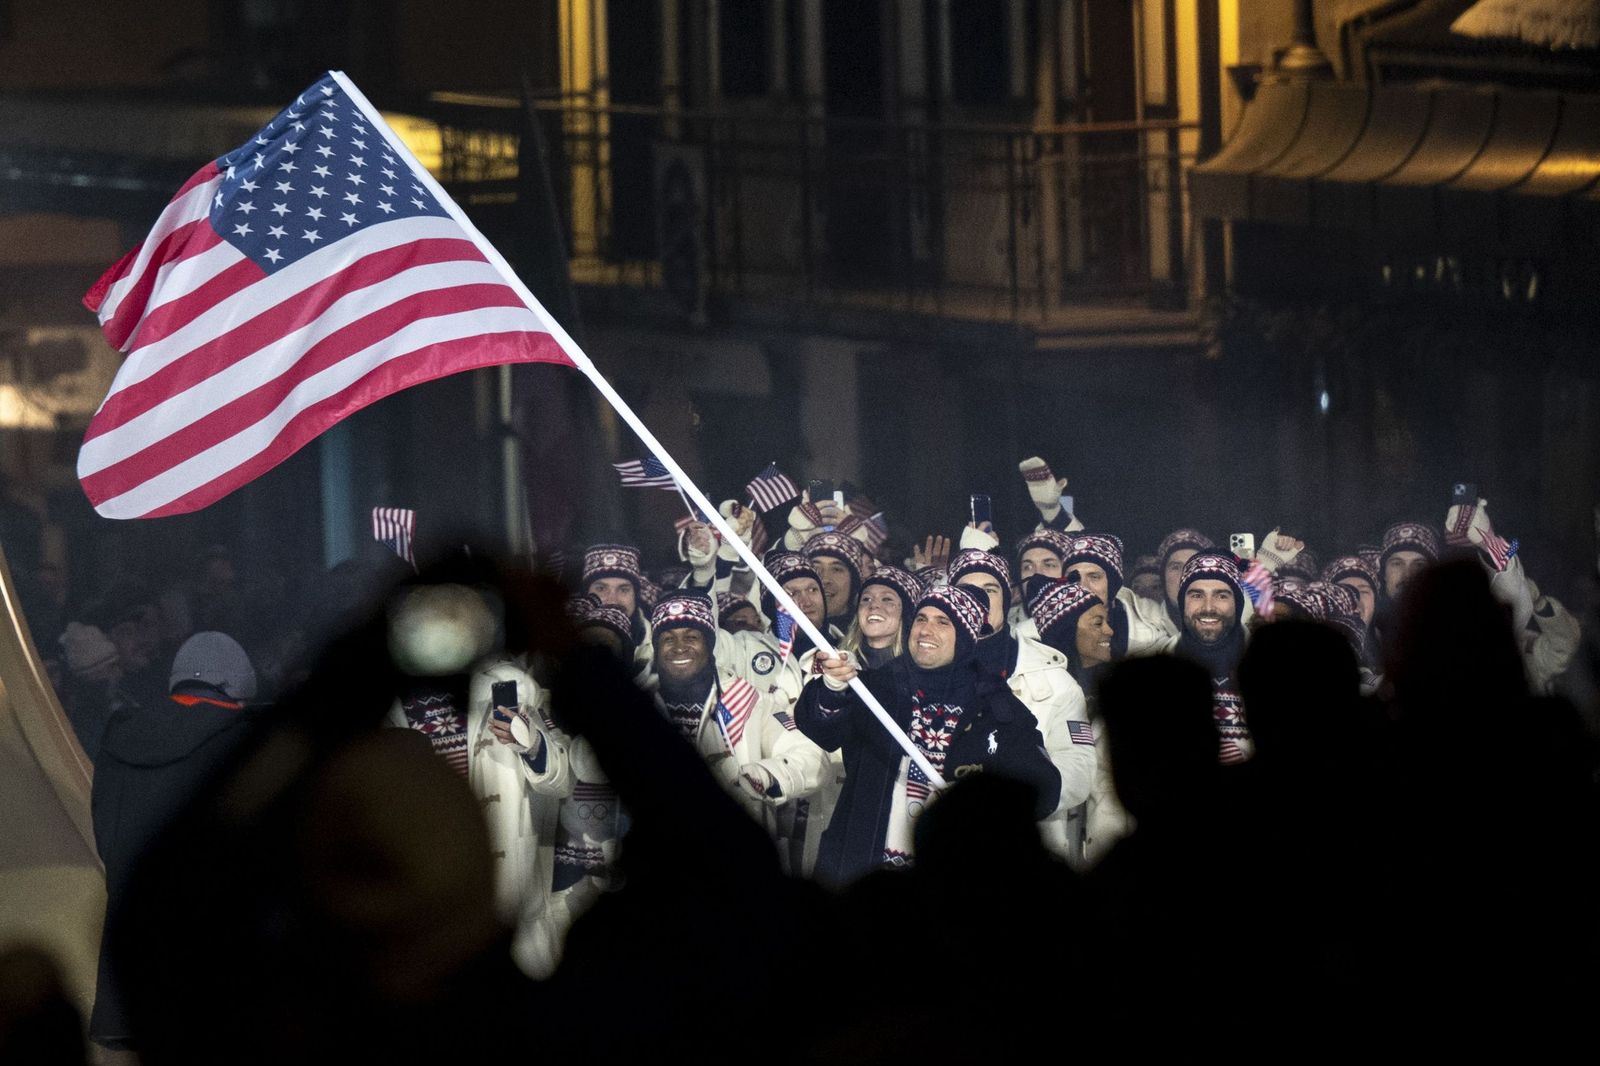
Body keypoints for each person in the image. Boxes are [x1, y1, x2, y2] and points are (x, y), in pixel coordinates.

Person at [796, 583, 1061, 885]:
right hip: (862, 872)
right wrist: (831, 688)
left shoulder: (995, 705)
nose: (925, 630)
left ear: (965, 637)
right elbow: (822, 730)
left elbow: (1043, 787)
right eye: (921, 618)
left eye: (943, 622)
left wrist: (985, 807)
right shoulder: (876, 688)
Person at [89, 631, 261, 1053]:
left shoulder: (121, 736)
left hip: (128, 972)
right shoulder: (242, 739)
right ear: (236, 685)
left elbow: (105, 830)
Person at [646, 592, 829, 871]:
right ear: (656, 650)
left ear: (710, 646)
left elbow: (813, 757)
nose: (679, 647)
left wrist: (766, 774)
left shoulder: (751, 703)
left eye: (691, 637)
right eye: (668, 639)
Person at [949, 548, 1095, 858]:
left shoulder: (1055, 680)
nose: (980, 600)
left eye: (989, 590)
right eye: (966, 591)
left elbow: (1079, 769)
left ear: (1006, 597)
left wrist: (1021, 794)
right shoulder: (918, 674)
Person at [1030, 577, 1122, 864]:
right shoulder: (1036, 693)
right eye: (1097, 623)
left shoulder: (1120, 692)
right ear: (1067, 631)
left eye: (1106, 621)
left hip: (1106, 850)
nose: (1109, 630)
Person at [1165, 552, 1252, 764]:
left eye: (1221, 595)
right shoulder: (1146, 674)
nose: (1208, 607)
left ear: (1238, 603)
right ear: (1182, 602)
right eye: (1196, 595)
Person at [1061, 532, 1176, 655]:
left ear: (1113, 585)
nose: (1082, 587)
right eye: (1073, 578)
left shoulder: (1152, 641)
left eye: (1094, 577)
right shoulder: (1046, 634)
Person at [581, 544, 653, 677]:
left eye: (623, 589)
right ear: (586, 594)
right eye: (601, 589)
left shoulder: (658, 643)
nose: (612, 600)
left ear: (635, 596)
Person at [838, 564, 922, 669]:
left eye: (887, 599)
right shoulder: (836, 659)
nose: (873, 605)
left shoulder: (917, 669)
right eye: (866, 599)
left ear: (905, 613)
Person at [802, 530, 868, 635]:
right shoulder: (784, 632)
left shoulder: (869, 635)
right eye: (815, 568)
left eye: (836, 569)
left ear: (853, 583)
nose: (824, 579)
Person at [1156, 528, 1217, 630]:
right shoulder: (1143, 625)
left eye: (1194, 566)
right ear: (1163, 577)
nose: (1184, 576)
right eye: (1176, 567)